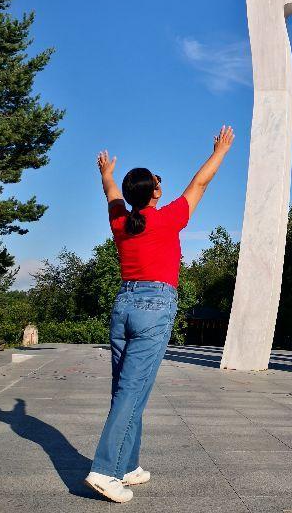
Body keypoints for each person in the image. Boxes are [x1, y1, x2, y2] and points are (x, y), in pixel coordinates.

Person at [85, 125, 235, 503]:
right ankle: (105, 470)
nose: (160, 184)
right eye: (157, 181)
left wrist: (106, 173)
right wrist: (220, 151)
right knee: (132, 392)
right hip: (154, 307)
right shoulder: (167, 218)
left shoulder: (120, 221)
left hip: (124, 305)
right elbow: (200, 184)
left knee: (126, 389)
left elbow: (111, 192)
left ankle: (128, 465)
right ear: (154, 192)